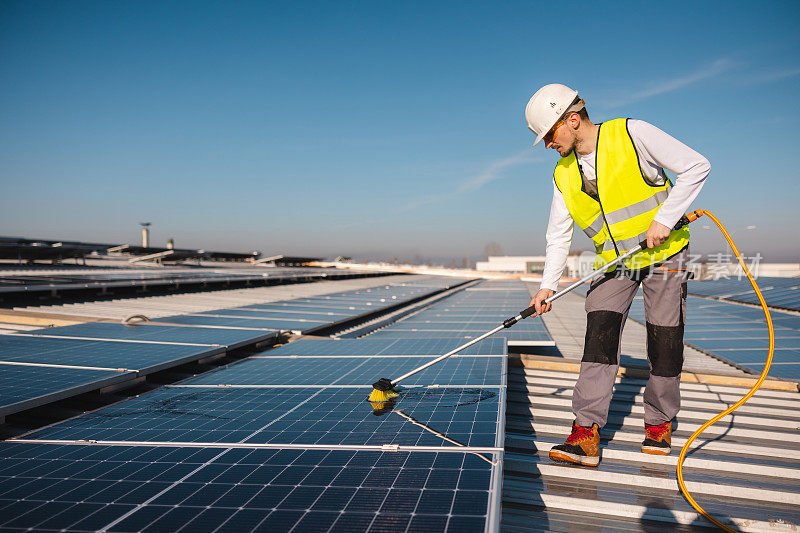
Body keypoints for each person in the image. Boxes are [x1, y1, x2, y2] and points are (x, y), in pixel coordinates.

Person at [524, 84, 710, 466]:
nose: (547, 145)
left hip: (665, 253)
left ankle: (659, 422)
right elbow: (558, 235)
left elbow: (697, 165)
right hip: (615, 262)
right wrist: (546, 286)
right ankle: (586, 433)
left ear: (572, 120)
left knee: (664, 337)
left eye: (549, 134)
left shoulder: (633, 133)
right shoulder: (563, 174)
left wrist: (664, 218)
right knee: (599, 334)